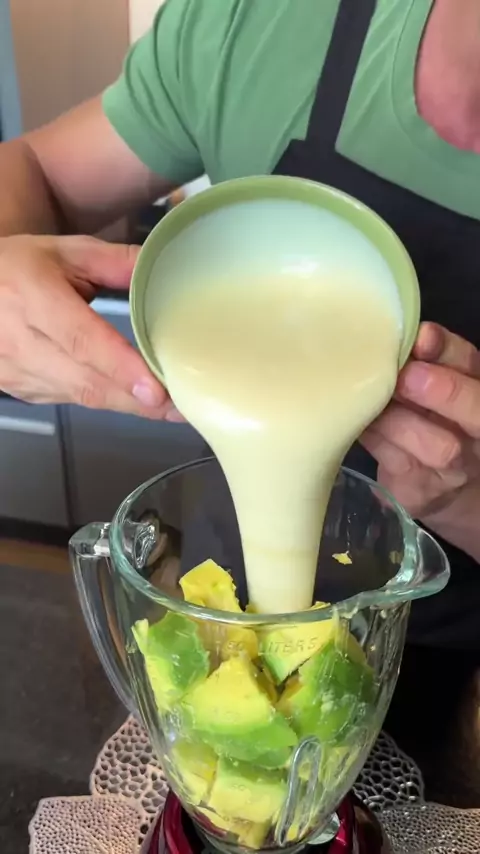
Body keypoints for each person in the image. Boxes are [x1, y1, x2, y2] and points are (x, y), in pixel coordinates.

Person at [1, 0, 479, 645]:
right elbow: (35, 171)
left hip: (437, 642)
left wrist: (469, 507)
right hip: (218, 595)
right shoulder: (255, 20)